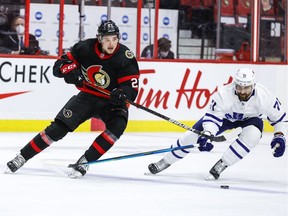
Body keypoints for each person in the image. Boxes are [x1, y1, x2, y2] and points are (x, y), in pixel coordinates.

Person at [6, 20, 140, 178]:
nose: (111, 43)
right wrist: (71, 73)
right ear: (99, 39)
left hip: (111, 102)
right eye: (107, 39)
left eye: (114, 39)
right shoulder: (85, 48)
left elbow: (131, 87)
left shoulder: (125, 56)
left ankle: (85, 161)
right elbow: (59, 66)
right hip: (88, 96)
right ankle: (22, 156)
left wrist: (122, 93)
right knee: (57, 129)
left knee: (118, 126)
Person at [147, 68, 287, 180]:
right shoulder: (224, 93)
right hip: (224, 119)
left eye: (246, 88)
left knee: (253, 136)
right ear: (235, 84)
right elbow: (213, 117)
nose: (242, 91)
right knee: (191, 137)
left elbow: (280, 118)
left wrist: (279, 135)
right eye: (239, 87)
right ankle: (165, 161)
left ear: (253, 85)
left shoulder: (265, 97)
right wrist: (207, 134)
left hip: (251, 120)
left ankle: (222, 164)